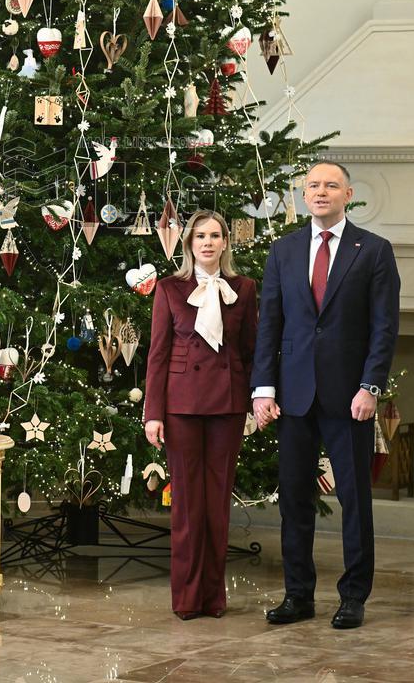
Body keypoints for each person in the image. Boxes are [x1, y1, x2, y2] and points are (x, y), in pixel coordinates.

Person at [251, 161, 400, 630]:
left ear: (347, 193)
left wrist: (370, 386)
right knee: (294, 498)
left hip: (350, 397)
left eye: (330, 185)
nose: (321, 192)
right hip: (293, 397)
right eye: (313, 185)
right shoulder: (284, 250)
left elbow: (384, 327)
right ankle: (299, 596)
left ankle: (353, 595)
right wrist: (263, 388)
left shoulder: (373, 251)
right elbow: (269, 325)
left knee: (354, 499)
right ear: (303, 193)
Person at [144, 210, 257, 620]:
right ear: (189, 244)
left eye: (215, 236)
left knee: (217, 504)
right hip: (181, 407)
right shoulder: (170, 288)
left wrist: (250, 401)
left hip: (227, 405)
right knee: (188, 506)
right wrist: (152, 413)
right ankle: (187, 599)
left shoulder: (244, 288)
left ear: (226, 242)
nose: (207, 243)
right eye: (199, 236)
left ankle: (214, 597)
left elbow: (249, 350)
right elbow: (156, 354)